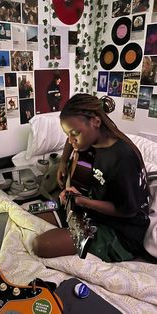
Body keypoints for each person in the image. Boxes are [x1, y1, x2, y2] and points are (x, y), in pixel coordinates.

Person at [32, 93, 152, 263]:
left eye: (75, 133)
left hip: (120, 232)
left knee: (41, 245)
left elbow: (127, 211)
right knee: (31, 214)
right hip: (89, 207)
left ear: (96, 122)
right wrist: (63, 162)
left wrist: (83, 202)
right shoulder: (87, 140)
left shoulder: (122, 158)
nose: (72, 140)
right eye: (68, 134)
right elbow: (70, 140)